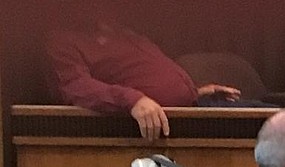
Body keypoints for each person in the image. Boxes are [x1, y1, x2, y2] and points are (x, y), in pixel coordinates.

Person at [46, 14, 269, 141]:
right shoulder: (63, 40)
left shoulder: (118, 29)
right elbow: (76, 86)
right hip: (174, 126)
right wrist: (133, 100)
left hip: (198, 105)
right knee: (282, 131)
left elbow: (140, 72)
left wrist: (195, 91)